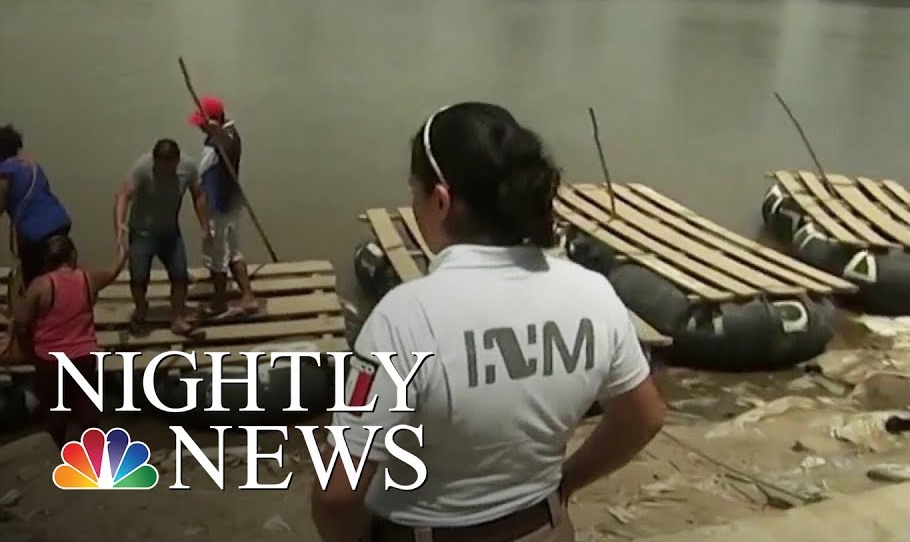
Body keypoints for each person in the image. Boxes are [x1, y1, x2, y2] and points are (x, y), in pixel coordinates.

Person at [311, 102, 666, 542]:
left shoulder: (405, 318)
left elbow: (337, 494)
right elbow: (643, 416)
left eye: (414, 190)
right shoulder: (592, 293)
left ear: (440, 200)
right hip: (545, 528)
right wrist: (566, 481)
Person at [11, 235, 127, 447]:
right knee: (87, 407)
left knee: (56, 409)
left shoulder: (41, 285)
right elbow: (113, 271)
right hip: (84, 356)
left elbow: (21, 323)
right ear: (72, 255)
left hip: (50, 359)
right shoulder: (87, 279)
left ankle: (57, 455)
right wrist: (122, 250)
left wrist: (28, 350)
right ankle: (95, 455)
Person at [114, 138, 211, 339]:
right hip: (142, 232)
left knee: (180, 275)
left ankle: (177, 317)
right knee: (139, 278)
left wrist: (204, 225)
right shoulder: (142, 167)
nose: (165, 172)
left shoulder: (188, 167)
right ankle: (141, 309)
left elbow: (199, 194)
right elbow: (124, 195)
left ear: (176, 162)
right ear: (155, 160)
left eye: (170, 167)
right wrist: (120, 224)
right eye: (161, 167)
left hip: (170, 231)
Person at [189, 95, 258, 320]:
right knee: (233, 251)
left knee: (215, 256)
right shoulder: (229, 135)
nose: (199, 127)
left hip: (219, 206)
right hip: (231, 203)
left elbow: (204, 183)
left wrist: (203, 223)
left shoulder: (222, 142)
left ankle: (219, 303)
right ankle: (247, 296)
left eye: (202, 123)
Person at [0, 124, 73, 288]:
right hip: (60, 221)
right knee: (59, 272)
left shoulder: (4, 172)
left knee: (33, 281)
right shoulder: (33, 166)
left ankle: (36, 308)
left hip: (35, 233)